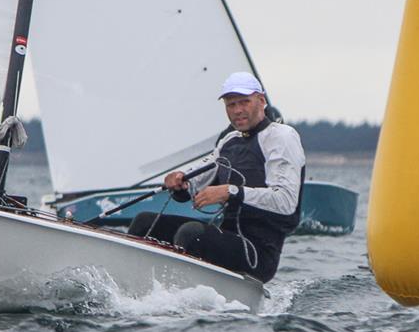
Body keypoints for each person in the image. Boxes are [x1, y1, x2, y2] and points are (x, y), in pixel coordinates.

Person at [128, 72, 305, 283]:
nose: (237, 110)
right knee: (145, 222)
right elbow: (196, 182)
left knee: (191, 233)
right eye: (231, 105)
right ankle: (135, 287)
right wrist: (179, 182)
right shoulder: (229, 141)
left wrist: (230, 191)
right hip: (227, 238)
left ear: (262, 101)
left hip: (258, 253)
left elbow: (286, 202)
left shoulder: (282, 137)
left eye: (244, 102)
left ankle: (177, 293)